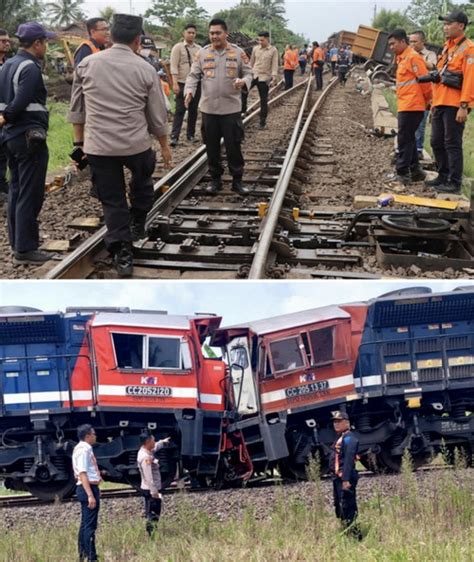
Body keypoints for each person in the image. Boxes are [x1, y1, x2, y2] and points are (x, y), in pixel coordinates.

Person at [68, 14, 172, 278]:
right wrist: (165, 146)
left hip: (99, 148)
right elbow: (157, 115)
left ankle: (123, 254)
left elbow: (77, 111)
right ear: (138, 40)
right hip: (135, 145)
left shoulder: (86, 65)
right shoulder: (146, 69)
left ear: (111, 36)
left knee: (112, 201)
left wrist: (78, 146)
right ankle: (138, 220)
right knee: (142, 183)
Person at [0, 22, 56, 265]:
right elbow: (21, 101)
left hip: (11, 136)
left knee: (16, 189)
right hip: (27, 136)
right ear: (37, 44)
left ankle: (17, 242)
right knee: (30, 193)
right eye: (45, 42)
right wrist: (7, 116)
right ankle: (26, 248)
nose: (46, 46)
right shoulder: (30, 67)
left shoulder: (8, 64)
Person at [184, 18, 252, 196]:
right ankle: (216, 180)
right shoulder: (203, 53)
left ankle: (237, 180)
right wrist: (189, 91)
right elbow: (193, 75)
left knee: (233, 146)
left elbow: (249, 72)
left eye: (218, 33)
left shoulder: (238, 53)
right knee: (211, 147)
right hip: (209, 110)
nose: (214, 36)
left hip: (231, 109)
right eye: (211, 33)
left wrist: (243, 81)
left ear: (226, 33)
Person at [427, 11, 474, 194]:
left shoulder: (468, 48)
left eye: (449, 23)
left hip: (455, 104)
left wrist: (464, 106)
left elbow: (470, 79)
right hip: (439, 102)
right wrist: (433, 104)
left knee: (452, 143)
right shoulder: (447, 48)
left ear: (461, 26)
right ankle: (443, 175)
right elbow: (439, 78)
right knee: (436, 141)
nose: (445, 27)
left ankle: (454, 182)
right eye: (444, 24)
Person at [387, 28, 431, 185]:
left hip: (413, 105)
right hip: (407, 104)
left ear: (402, 42)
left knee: (404, 138)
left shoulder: (413, 57)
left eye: (393, 44)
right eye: (389, 45)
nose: (391, 47)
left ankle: (403, 173)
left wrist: (428, 101)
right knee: (409, 137)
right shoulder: (402, 58)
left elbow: (425, 81)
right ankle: (416, 170)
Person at [330, 411, 362, 540]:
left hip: (345, 478)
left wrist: (346, 480)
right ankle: (347, 532)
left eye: (339, 421)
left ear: (347, 422)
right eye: (334, 422)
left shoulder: (350, 439)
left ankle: (355, 535)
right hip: (338, 477)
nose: (336, 424)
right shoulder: (341, 438)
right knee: (340, 506)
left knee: (348, 506)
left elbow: (349, 460)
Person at [72, 424, 102, 562]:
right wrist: (90, 495)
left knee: (85, 523)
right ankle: (91, 557)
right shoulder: (84, 450)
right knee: (90, 525)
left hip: (86, 487)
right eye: (94, 434)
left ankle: (83, 554)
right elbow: (83, 473)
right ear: (88, 436)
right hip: (88, 488)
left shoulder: (79, 448)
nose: (95, 436)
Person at [170, 24, 201, 147]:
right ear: (184, 33)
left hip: (196, 83)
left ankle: (190, 135)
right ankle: (174, 137)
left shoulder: (199, 48)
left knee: (193, 110)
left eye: (193, 33)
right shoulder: (178, 47)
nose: (191, 35)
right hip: (182, 83)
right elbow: (173, 66)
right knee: (180, 111)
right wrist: (175, 83)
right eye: (189, 32)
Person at [241, 31, 279, 129]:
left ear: (267, 39)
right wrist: (246, 74)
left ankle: (262, 122)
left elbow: (275, 65)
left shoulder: (273, 50)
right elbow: (251, 62)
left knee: (263, 100)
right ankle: (243, 110)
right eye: (259, 40)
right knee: (243, 91)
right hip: (254, 75)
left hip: (264, 77)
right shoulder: (255, 49)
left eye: (262, 40)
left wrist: (274, 76)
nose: (260, 42)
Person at [409, 30, 437, 158]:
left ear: (422, 42)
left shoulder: (430, 55)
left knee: (420, 124)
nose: (412, 44)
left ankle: (419, 150)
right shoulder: (408, 54)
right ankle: (408, 149)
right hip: (410, 96)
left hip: (424, 96)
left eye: (415, 41)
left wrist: (416, 58)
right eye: (410, 41)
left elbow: (433, 66)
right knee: (408, 125)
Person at [137, 432, 172, 537]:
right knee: (153, 513)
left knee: (153, 512)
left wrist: (162, 442)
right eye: (153, 440)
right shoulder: (145, 457)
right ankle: (152, 535)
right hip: (151, 489)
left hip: (150, 488)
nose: (154, 441)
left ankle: (152, 533)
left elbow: (155, 447)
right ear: (147, 442)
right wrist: (154, 492)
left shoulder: (147, 450)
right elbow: (148, 477)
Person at [0, 28, 11, 204]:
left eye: (8, 40)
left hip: (5, 116)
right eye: (3, 41)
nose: (7, 43)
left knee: (3, 153)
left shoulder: (8, 64)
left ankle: (2, 185)